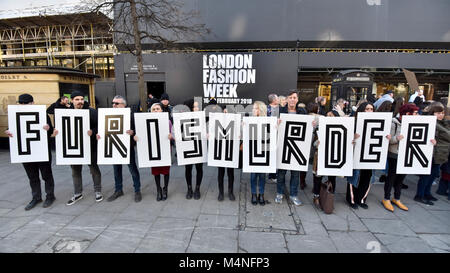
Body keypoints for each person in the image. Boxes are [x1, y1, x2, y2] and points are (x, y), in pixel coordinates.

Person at [4, 94, 56, 210]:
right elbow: (11, 128)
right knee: (32, 176)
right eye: (21, 103)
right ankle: (36, 197)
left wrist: (48, 129)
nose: (23, 105)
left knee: (46, 175)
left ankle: (50, 196)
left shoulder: (42, 114)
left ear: (32, 103)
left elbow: (51, 130)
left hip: (42, 151)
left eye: (25, 103)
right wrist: (7, 131)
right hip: (26, 151)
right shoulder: (15, 115)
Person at [54, 90, 102, 205]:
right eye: (77, 99)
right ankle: (77, 193)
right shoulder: (65, 113)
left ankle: (98, 191)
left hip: (90, 146)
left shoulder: (91, 111)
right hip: (73, 147)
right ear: (71, 100)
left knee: (94, 169)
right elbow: (60, 128)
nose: (80, 101)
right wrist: (56, 131)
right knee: (75, 171)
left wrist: (93, 131)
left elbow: (100, 125)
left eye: (82, 99)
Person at [346, 102, 389, 209]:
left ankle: (361, 199)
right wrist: (352, 137)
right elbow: (346, 140)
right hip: (357, 154)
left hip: (370, 154)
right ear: (361, 110)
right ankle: (351, 199)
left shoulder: (379, 122)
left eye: (371, 109)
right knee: (355, 177)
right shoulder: (354, 122)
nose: (369, 111)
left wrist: (386, 137)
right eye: (367, 109)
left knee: (367, 177)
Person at [382, 104, 420, 212]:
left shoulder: (414, 123)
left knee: (401, 178)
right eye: (415, 113)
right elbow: (388, 140)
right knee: (391, 177)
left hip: (407, 154)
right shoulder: (394, 123)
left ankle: (397, 198)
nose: (417, 115)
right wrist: (397, 138)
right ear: (408, 113)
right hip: (394, 154)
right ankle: (386, 198)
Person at [104, 95, 142, 203]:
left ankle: (137, 190)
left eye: (116, 103)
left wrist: (133, 131)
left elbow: (139, 129)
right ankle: (118, 190)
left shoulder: (131, 115)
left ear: (123, 105)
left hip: (127, 146)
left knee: (132, 169)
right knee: (116, 170)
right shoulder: (108, 115)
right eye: (113, 103)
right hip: (114, 146)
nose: (114, 105)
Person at [135, 103, 173, 201]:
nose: (156, 110)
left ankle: (165, 189)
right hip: (153, 151)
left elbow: (173, 134)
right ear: (150, 111)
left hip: (164, 151)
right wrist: (136, 137)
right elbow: (142, 134)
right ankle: (158, 190)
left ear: (162, 110)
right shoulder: (145, 122)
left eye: (158, 109)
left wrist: (171, 136)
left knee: (166, 171)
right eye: (153, 109)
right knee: (156, 172)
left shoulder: (168, 121)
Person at [275, 90, 306, 206]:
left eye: (294, 97)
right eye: (290, 97)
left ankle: (293, 195)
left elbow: (306, 129)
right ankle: (279, 193)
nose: (292, 99)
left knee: (295, 173)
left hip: (297, 147)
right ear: (287, 99)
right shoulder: (281, 111)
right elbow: (274, 128)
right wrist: (276, 124)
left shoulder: (302, 112)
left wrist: (311, 125)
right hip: (283, 146)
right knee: (281, 172)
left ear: (297, 100)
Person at [414, 102, 450, 205]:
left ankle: (427, 193)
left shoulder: (443, 123)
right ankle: (420, 195)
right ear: (432, 113)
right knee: (426, 175)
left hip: (440, 153)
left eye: (442, 113)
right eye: (438, 112)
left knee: (433, 174)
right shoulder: (431, 123)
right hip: (432, 153)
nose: (441, 115)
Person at [183, 99, 204, 200]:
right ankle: (189, 188)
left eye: (197, 107)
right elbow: (176, 131)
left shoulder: (202, 117)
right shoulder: (183, 118)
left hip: (199, 145)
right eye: (195, 107)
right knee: (188, 168)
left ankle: (197, 188)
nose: (197, 108)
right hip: (187, 145)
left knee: (199, 168)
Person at [249, 101, 268, 205]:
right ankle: (253, 194)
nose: (253, 110)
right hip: (253, 151)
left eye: (255, 108)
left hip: (263, 151)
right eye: (253, 108)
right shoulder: (250, 121)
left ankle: (261, 194)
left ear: (260, 109)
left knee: (262, 175)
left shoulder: (267, 121)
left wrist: (276, 126)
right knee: (253, 175)